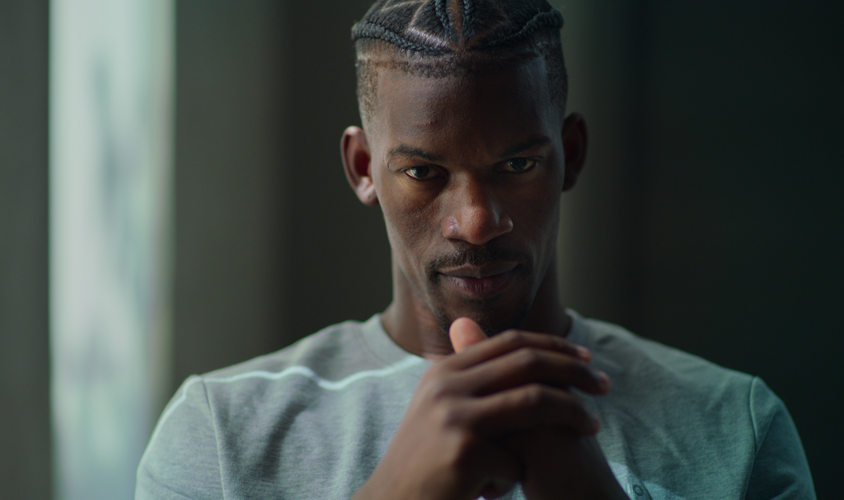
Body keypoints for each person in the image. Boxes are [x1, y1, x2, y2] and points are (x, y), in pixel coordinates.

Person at [136, 1, 815, 498]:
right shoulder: (222, 433)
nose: (477, 221)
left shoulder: (734, 427)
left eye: (517, 166)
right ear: (364, 168)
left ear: (571, 154)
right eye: (424, 172)